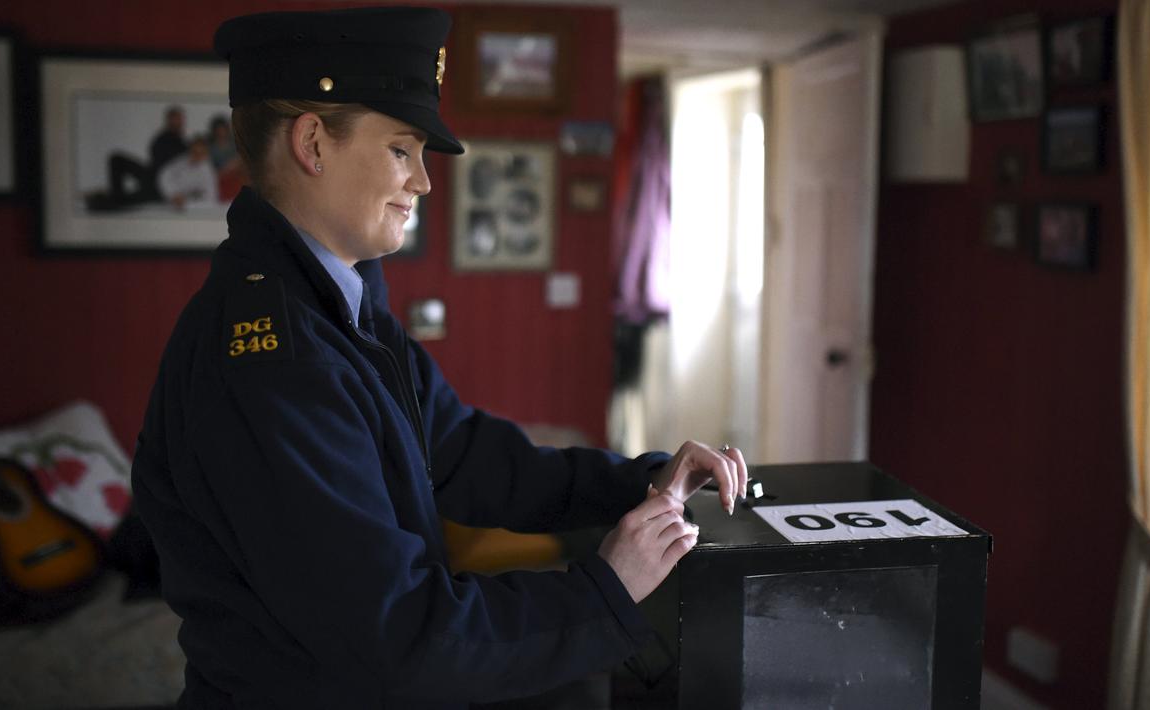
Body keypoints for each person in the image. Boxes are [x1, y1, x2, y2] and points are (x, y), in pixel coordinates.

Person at [131, 7, 747, 709]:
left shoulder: (338, 306)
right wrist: (604, 588)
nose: (423, 181)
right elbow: (397, 638)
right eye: (402, 149)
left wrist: (642, 482)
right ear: (313, 143)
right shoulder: (279, 361)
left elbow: (465, 456)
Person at [158, 134, 218, 210]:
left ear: (206, 153)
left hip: (195, 210)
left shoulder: (208, 171)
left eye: (201, 153)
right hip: (171, 204)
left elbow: (211, 200)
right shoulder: (181, 161)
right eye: (194, 152)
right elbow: (164, 175)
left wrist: (186, 203)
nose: (197, 156)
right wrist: (173, 194)